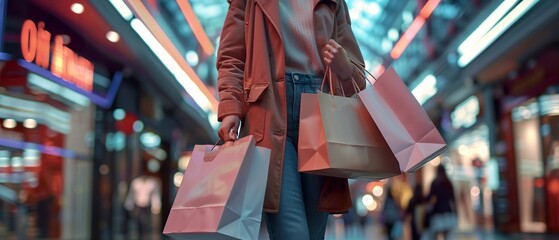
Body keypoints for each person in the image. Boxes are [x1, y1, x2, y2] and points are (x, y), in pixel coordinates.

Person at [216, 0, 366, 239]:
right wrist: (231, 108)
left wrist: (344, 66)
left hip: (322, 114)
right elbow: (232, 56)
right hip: (270, 111)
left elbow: (358, 76)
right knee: (292, 232)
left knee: (314, 233)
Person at [426, 165, 457, 240]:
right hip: (447, 211)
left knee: (436, 234)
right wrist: (456, 212)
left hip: (437, 211)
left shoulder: (434, 183)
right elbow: (453, 199)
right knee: (447, 235)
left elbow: (430, 197)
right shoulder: (448, 183)